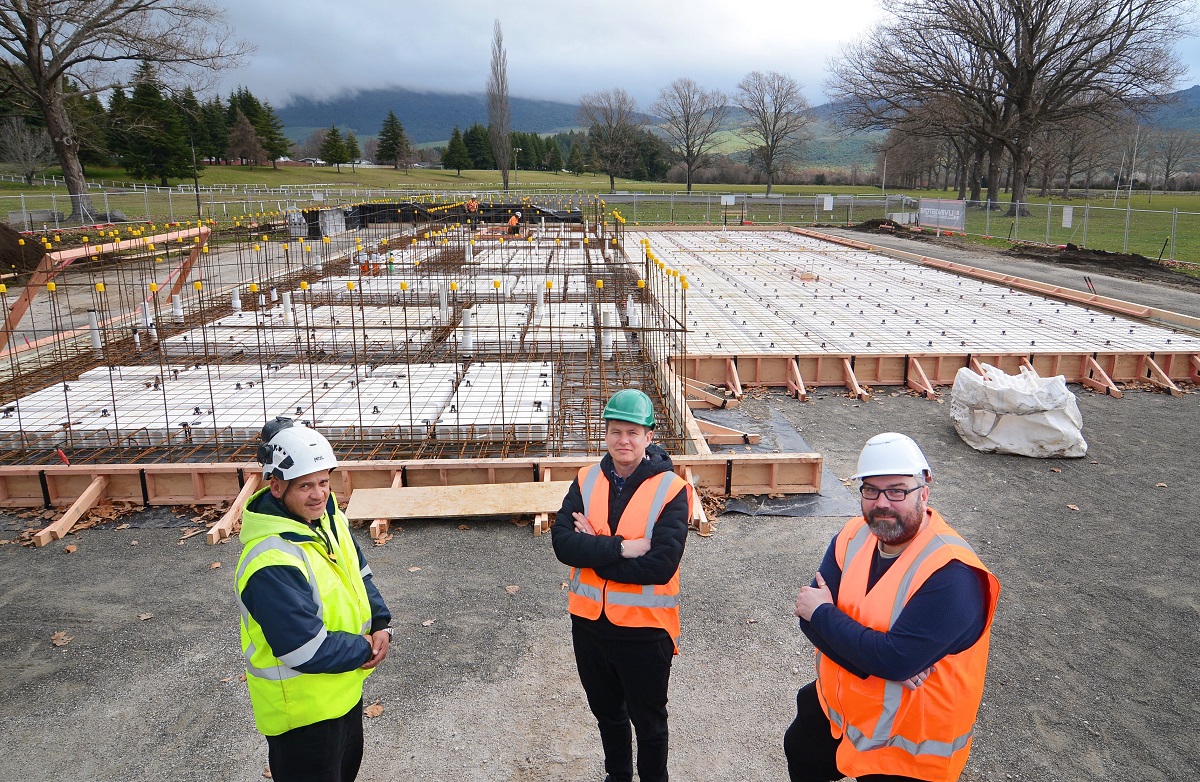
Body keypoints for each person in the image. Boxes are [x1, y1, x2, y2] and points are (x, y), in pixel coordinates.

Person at [785, 432, 1000, 782]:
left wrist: (826, 616)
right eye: (871, 490)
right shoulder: (853, 536)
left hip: (908, 748)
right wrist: (882, 659)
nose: (882, 502)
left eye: (897, 490)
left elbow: (890, 655)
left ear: (924, 492)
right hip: (842, 713)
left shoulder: (952, 574)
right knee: (801, 749)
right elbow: (807, 620)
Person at [236, 417, 393, 782]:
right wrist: (365, 648)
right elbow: (304, 649)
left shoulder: (326, 517)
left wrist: (381, 622)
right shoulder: (271, 562)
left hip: (342, 692)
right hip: (303, 715)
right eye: (305, 485)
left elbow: (358, 572)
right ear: (276, 487)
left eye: (324, 481)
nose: (319, 493)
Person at [551, 389, 693, 782]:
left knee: (649, 724)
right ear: (607, 434)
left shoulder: (672, 490)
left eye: (632, 432)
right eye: (615, 431)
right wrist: (624, 548)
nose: (623, 441)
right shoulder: (585, 480)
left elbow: (660, 566)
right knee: (608, 717)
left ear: (649, 436)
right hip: (590, 626)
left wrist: (593, 551)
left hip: (645, 631)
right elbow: (563, 544)